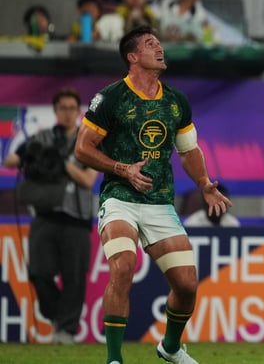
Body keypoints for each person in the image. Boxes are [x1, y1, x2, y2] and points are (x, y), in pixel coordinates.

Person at [74, 25, 232, 364]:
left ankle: (170, 347)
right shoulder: (111, 97)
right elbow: (82, 148)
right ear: (133, 57)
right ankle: (114, 359)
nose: (159, 47)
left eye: (159, 42)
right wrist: (122, 169)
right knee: (123, 266)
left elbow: (189, 151)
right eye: (150, 43)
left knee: (187, 285)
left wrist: (204, 184)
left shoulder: (176, 101)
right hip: (120, 198)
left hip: (160, 203)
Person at [2, 87, 96, 344]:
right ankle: (56, 316)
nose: (67, 113)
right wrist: (32, 155)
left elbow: (88, 180)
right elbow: (10, 161)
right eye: (62, 108)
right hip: (44, 215)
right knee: (39, 272)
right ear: (55, 111)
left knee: (74, 277)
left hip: (77, 218)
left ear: (79, 112)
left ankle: (66, 331)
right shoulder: (41, 138)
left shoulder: (88, 142)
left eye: (71, 108)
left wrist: (62, 162)